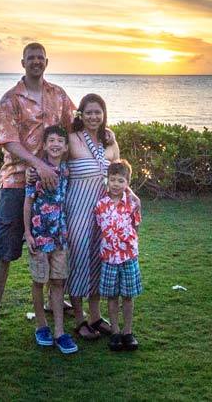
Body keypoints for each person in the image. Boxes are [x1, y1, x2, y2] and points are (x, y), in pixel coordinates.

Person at [0, 42, 75, 348]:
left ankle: (53, 312)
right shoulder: (10, 99)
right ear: (23, 62)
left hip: (54, 185)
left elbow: (75, 126)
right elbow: (8, 141)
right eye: (30, 57)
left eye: (40, 57)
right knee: (4, 251)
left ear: (47, 61)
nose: (36, 61)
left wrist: (106, 134)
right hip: (17, 183)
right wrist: (37, 165)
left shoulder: (57, 95)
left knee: (55, 247)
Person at [65, 93, 122, 340]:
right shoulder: (72, 138)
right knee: (78, 259)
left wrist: (131, 199)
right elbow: (56, 164)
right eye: (88, 112)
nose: (93, 116)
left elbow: (119, 172)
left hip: (104, 212)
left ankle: (96, 316)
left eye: (97, 112)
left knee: (99, 260)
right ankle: (79, 319)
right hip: (77, 208)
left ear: (104, 114)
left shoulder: (109, 140)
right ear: (81, 114)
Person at [24, 126, 77, 354]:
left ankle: (59, 331)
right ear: (44, 145)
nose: (55, 144)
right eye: (51, 140)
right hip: (38, 234)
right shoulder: (35, 171)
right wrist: (27, 232)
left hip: (60, 237)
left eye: (60, 141)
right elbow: (27, 203)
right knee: (39, 281)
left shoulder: (66, 170)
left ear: (66, 147)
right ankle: (41, 326)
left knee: (58, 282)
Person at [95, 158, 142, 352]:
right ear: (107, 180)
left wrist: (128, 245)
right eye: (112, 179)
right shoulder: (100, 205)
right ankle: (114, 331)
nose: (116, 184)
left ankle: (128, 331)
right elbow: (100, 227)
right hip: (109, 258)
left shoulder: (132, 203)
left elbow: (136, 225)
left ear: (127, 183)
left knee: (128, 296)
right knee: (112, 296)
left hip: (128, 256)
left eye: (120, 181)